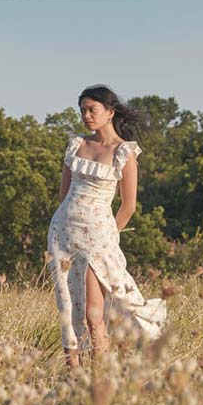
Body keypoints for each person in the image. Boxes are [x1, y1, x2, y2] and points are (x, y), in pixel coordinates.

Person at [47, 85, 167, 370]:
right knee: (67, 303)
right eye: (83, 111)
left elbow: (128, 206)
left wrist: (109, 237)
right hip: (63, 232)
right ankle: (73, 374)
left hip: (98, 236)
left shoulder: (124, 152)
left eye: (92, 110)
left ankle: (100, 374)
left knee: (93, 312)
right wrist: (63, 225)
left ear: (109, 113)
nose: (86, 116)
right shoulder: (76, 145)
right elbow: (64, 195)